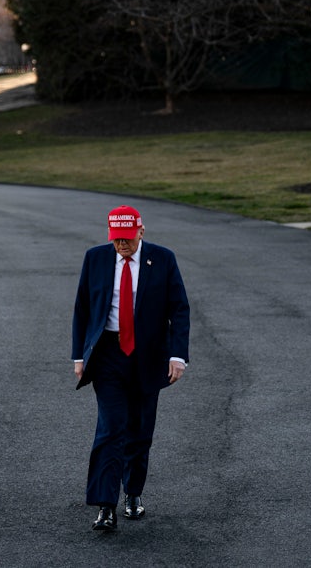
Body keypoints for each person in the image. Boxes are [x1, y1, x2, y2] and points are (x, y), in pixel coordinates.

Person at [71, 205, 190, 532]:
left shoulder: (163, 259)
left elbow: (179, 309)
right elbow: (82, 308)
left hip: (148, 356)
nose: (121, 245)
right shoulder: (95, 258)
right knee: (111, 428)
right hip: (108, 354)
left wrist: (177, 356)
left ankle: (133, 493)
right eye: (116, 239)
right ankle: (105, 505)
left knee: (139, 430)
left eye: (127, 238)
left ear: (141, 231)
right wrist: (79, 357)